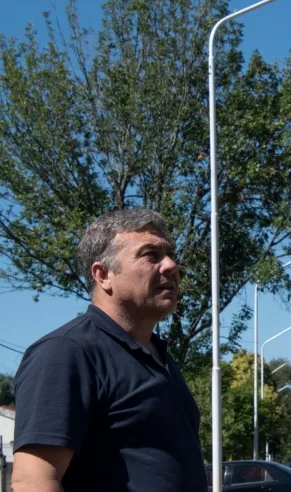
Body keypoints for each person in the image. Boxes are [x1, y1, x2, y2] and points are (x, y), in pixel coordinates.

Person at [12, 209, 207, 492]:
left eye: (170, 254)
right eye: (150, 255)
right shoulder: (66, 352)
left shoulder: (158, 357)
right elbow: (34, 481)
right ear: (103, 274)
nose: (171, 266)